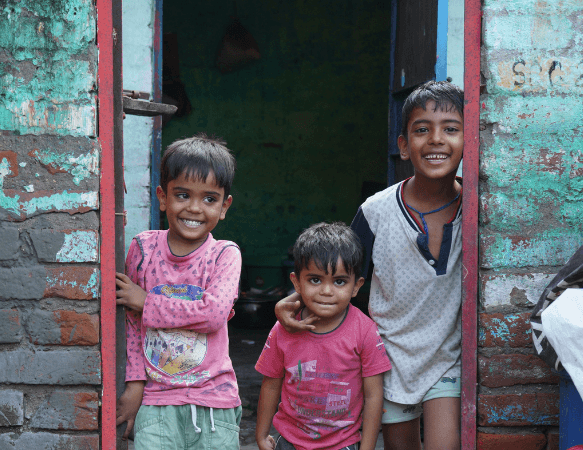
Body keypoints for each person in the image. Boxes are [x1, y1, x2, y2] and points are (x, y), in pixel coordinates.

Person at [276, 80, 465, 450]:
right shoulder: (376, 211)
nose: (436, 140)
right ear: (403, 147)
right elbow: (340, 272)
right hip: (386, 355)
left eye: (451, 129)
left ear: (468, 139)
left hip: (448, 356)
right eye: (422, 130)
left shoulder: (477, 209)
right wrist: (294, 300)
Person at [115, 134, 243, 450]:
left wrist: (147, 302)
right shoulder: (142, 248)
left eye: (209, 199)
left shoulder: (225, 255)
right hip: (156, 400)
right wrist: (134, 385)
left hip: (214, 402)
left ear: (225, 206)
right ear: (162, 197)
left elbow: (212, 315)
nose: (195, 208)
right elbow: (131, 323)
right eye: (182, 195)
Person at [256, 222, 392, 450]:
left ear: (356, 286)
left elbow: (374, 396)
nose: (326, 291)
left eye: (339, 281)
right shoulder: (284, 329)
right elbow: (270, 385)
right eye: (315, 280)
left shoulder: (365, 331)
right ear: (296, 282)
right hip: (289, 442)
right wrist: (261, 434)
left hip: (343, 444)